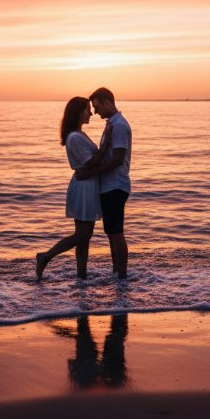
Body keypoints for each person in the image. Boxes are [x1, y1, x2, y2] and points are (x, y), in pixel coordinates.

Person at [35, 97, 108, 280]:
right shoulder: (75, 137)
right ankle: (46, 256)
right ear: (78, 112)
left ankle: (81, 275)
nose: (90, 113)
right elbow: (89, 163)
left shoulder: (79, 134)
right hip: (84, 187)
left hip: (88, 185)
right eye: (87, 110)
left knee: (84, 236)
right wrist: (106, 146)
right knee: (83, 235)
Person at [76, 87, 132, 279]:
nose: (95, 111)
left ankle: (122, 277)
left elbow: (117, 160)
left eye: (97, 106)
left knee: (116, 233)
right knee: (111, 233)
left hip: (115, 186)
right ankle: (117, 274)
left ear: (107, 102)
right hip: (109, 186)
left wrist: (91, 172)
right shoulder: (112, 125)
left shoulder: (119, 126)